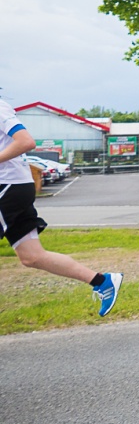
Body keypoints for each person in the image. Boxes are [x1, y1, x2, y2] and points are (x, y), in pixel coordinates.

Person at [0, 97, 122, 317]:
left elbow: (26, 141)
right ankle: (102, 282)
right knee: (32, 256)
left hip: (7, 186)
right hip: (14, 185)